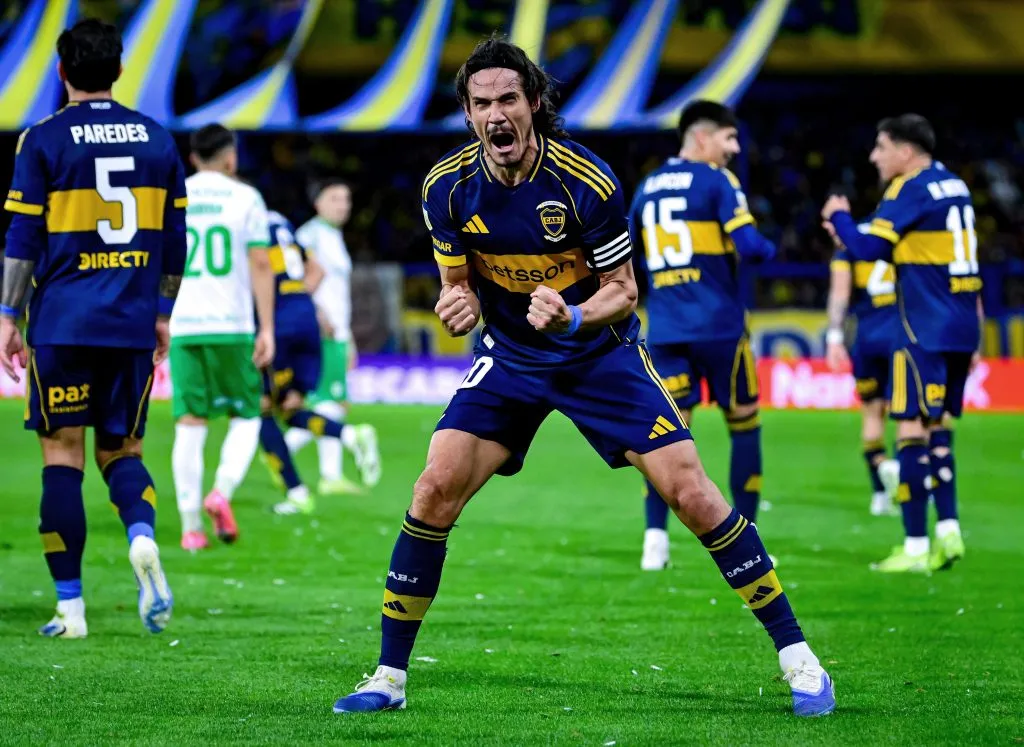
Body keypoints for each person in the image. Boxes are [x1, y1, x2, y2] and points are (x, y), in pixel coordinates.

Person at [331, 37, 834, 718]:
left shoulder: (586, 182)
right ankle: (388, 677)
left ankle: (801, 660)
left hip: (600, 355)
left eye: (508, 98)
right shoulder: (445, 187)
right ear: (468, 114)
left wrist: (571, 314)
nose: (496, 115)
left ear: (533, 103)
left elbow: (624, 290)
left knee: (691, 491)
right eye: (482, 104)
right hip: (511, 358)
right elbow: (458, 284)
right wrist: (460, 303)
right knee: (433, 486)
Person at [0, 19, 185, 637]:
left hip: (61, 321)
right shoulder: (158, 140)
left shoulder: (43, 139)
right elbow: (173, 244)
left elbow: (22, 239)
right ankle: (140, 533)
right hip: (130, 321)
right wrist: (161, 314)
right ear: (120, 69)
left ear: (60, 71)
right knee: (122, 451)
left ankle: (71, 609)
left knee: (62, 457)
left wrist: (6, 314)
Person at [822, 114, 982, 573]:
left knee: (909, 429)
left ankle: (914, 547)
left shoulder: (908, 188)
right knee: (940, 429)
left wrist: (840, 218)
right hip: (961, 325)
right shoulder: (955, 186)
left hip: (922, 328)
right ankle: (948, 532)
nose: (875, 157)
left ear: (905, 151)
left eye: (881, 147)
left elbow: (870, 251)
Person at [628, 100, 775, 571]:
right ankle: (748, 538)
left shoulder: (647, 188)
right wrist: (773, 247)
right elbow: (751, 248)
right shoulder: (718, 181)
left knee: (665, 436)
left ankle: (655, 540)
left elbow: (624, 257)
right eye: (729, 139)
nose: (733, 149)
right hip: (720, 328)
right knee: (744, 424)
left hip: (667, 329)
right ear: (701, 137)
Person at [169, 124, 276, 550]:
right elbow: (261, 265)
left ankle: (191, 528)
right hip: (231, 326)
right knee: (247, 416)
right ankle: (222, 490)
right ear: (231, 158)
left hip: (182, 324)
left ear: (193, 158)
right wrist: (266, 327)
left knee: (189, 426)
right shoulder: (245, 197)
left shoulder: (175, 195)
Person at [257, 210, 378, 515]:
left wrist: (275, 308)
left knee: (261, 410)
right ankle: (350, 435)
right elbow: (317, 271)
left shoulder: (246, 224)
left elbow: (255, 270)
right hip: (307, 321)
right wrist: (296, 299)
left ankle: (296, 492)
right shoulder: (281, 223)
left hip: (280, 327)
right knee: (290, 406)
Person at [286, 180, 380, 493]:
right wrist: (316, 314)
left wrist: (348, 338)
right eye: (335, 198)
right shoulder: (308, 236)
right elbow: (294, 282)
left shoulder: (332, 237)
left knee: (332, 402)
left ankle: (327, 473)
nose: (343, 205)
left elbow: (338, 295)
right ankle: (291, 456)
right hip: (320, 331)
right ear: (318, 204)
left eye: (347, 198)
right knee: (330, 401)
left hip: (336, 332)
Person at [824, 220, 901, 517]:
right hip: (901, 337)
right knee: (909, 417)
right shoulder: (894, 236)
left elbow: (840, 294)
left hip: (866, 339)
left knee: (872, 415)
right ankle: (911, 485)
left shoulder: (848, 246)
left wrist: (834, 337)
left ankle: (880, 491)